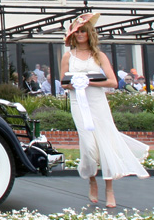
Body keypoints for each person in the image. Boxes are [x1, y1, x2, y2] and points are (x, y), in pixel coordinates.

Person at [60, 12, 148, 208]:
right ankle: (92, 180)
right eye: (78, 32)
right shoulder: (68, 56)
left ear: (89, 33)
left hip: (97, 104)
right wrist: (73, 85)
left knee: (105, 144)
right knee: (89, 146)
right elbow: (63, 82)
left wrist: (89, 82)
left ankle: (109, 188)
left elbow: (113, 82)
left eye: (83, 31)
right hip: (78, 104)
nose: (80, 34)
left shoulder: (99, 56)